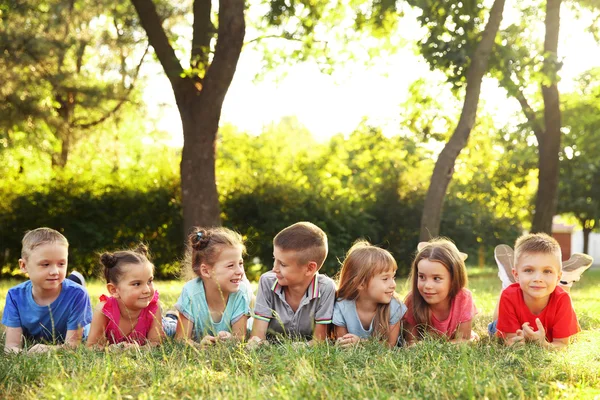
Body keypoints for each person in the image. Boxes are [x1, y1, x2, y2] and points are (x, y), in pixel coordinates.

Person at [2, 228, 92, 353]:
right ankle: (74, 279)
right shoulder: (15, 295)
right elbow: (11, 346)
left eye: (61, 264)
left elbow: (73, 346)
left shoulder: (79, 295)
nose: (55, 271)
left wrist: (49, 349)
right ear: (23, 266)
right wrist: (23, 354)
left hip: (74, 300)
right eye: (45, 264)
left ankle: (75, 281)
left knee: (75, 289)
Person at [249, 222, 335, 346]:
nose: (274, 268)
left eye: (282, 264)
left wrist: (304, 346)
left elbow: (319, 341)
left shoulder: (326, 288)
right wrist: (257, 342)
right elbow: (257, 336)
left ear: (310, 268)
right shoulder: (267, 281)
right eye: (275, 260)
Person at [491, 233, 580, 349]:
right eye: (529, 270)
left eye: (547, 271)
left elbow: (562, 344)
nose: (538, 278)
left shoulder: (562, 299)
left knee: (572, 332)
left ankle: (565, 282)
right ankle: (507, 283)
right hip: (511, 298)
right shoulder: (509, 296)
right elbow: (511, 340)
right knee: (494, 326)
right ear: (516, 275)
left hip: (554, 293)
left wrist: (543, 344)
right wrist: (517, 342)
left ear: (558, 277)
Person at [175, 227, 252, 345]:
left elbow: (239, 338)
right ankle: (172, 316)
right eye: (231, 265)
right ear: (206, 271)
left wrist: (230, 339)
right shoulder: (191, 293)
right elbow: (181, 340)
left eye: (240, 263)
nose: (240, 271)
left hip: (251, 316)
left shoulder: (240, 292)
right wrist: (200, 345)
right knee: (169, 328)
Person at [86, 244, 165, 347]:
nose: (146, 290)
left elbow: (156, 343)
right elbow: (92, 346)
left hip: (165, 325)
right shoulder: (104, 311)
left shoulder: (153, 306)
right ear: (114, 290)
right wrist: (112, 349)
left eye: (149, 281)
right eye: (137, 284)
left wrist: (137, 349)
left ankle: (172, 316)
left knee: (170, 327)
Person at [333, 241, 406, 348]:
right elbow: (343, 344)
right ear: (361, 283)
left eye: (393, 277)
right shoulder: (342, 306)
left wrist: (360, 343)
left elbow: (390, 345)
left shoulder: (394, 307)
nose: (393, 284)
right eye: (385, 279)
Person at [403, 239, 478, 344]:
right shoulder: (413, 300)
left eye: (436, 278)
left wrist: (437, 346)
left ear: (453, 279)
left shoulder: (463, 298)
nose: (427, 286)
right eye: (422, 277)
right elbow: (410, 341)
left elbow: (464, 339)